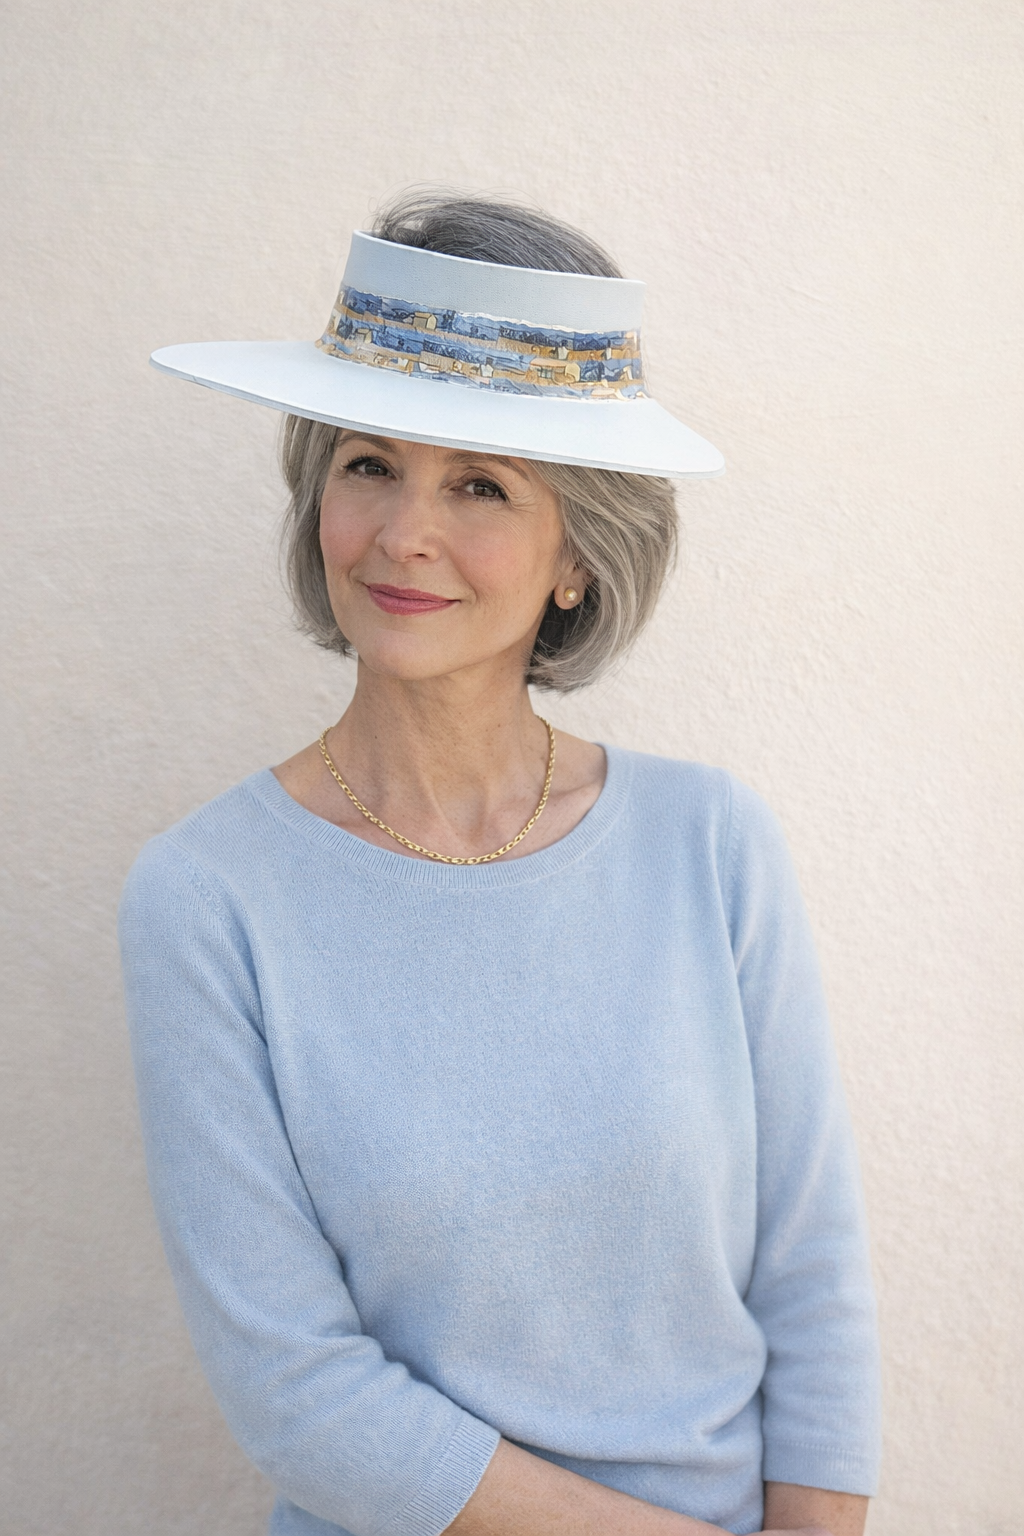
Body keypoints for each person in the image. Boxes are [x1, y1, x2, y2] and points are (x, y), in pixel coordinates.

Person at [120, 191, 881, 1536]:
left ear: (577, 552)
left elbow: (810, 1271)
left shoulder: (710, 844)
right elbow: (298, 1392)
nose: (403, 534)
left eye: (479, 483)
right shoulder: (208, 898)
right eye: (369, 464)